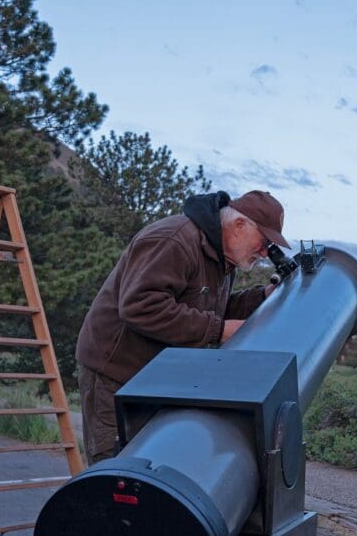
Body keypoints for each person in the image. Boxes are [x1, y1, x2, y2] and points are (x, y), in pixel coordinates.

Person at [76, 190, 290, 464]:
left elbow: (210, 309)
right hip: (115, 374)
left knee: (148, 470)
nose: (264, 253)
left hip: (153, 379)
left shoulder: (221, 257)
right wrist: (218, 330)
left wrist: (261, 298)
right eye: (263, 242)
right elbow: (140, 306)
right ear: (239, 225)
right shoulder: (173, 240)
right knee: (113, 471)